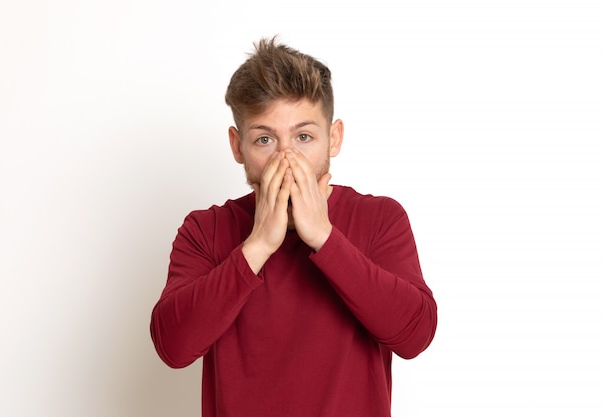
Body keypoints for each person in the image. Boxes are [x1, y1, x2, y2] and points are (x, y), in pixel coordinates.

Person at [150, 37, 437, 417]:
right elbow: (173, 347)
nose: (286, 157)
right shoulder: (206, 229)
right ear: (237, 147)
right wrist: (258, 245)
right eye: (265, 139)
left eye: (304, 137)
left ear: (333, 138)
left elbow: (414, 336)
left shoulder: (380, 219)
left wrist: (324, 237)